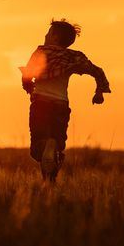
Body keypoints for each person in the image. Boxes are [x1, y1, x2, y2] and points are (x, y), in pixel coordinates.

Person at [21, 20, 110, 181]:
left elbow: (27, 75)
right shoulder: (72, 57)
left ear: (54, 38)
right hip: (61, 106)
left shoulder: (41, 52)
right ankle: (50, 182)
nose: (45, 36)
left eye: (48, 34)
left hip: (41, 104)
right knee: (57, 147)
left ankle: (48, 147)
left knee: (37, 148)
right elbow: (97, 71)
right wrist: (99, 92)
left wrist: (28, 88)